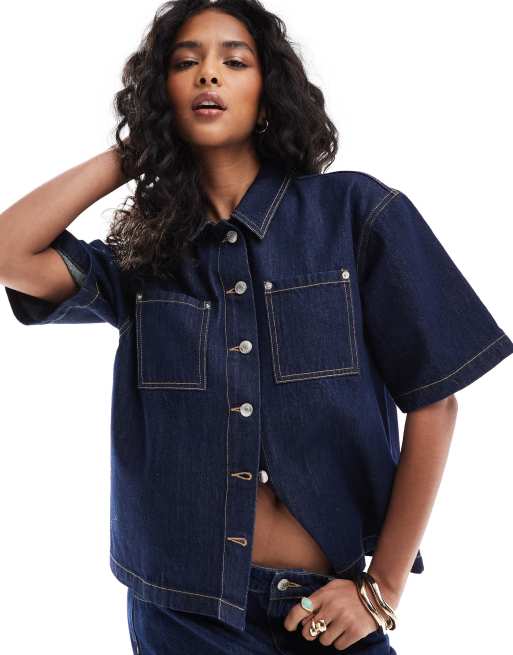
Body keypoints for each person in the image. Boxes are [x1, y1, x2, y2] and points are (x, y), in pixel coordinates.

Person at [1, 1, 512, 653]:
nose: (208, 74)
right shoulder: (142, 259)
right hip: (181, 617)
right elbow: (9, 251)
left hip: (327, 609)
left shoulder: (353, 213)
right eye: (185, 63)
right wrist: (138, 149)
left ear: (268, 94)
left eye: (234, 61)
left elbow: (435, 400)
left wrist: (381, 590)